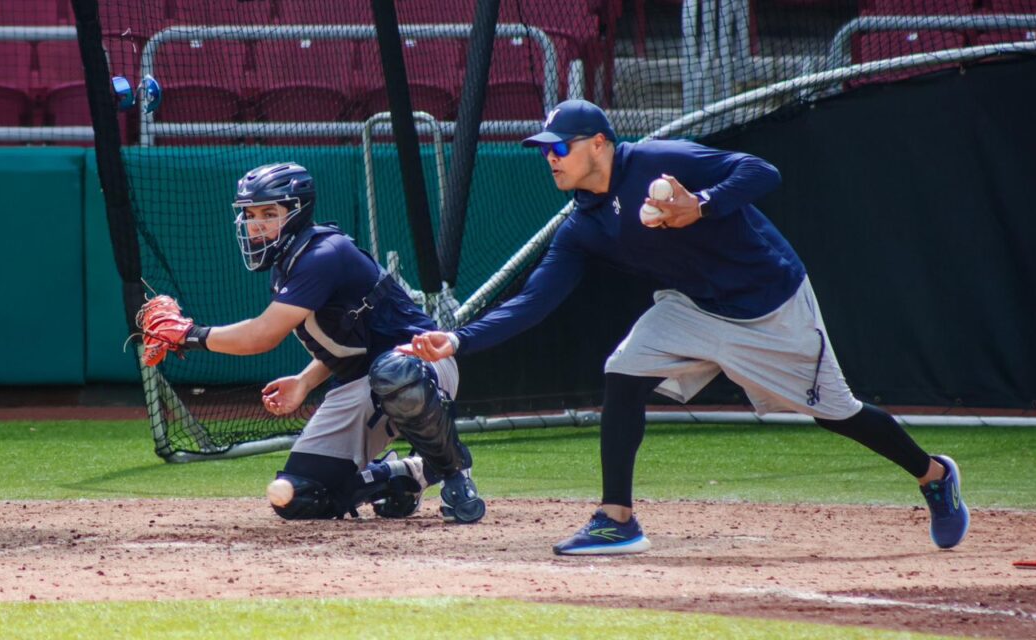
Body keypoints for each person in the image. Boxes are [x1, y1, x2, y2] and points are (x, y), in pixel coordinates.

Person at [405, 99, 968, 554]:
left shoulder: (657, 160)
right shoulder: (583, 226)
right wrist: (458, 339)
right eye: (544, 150)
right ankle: (616, 519)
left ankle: (933, 475)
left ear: (598, 143)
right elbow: (535, 300)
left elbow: (761, 171)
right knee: (623, 370)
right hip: (692, 308)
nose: (549, 158)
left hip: (769, 305)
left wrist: (701, 204)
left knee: (837, 412)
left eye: (559, 147)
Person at [135, 162, 486, 524]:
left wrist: (188, 335)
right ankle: (407, 474)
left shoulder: (324, 254)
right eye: (250, 215)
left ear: (297, 212)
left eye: (269, 214)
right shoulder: (286, 263)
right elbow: (352, 342)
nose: (256, 225)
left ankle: (453, 470)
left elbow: (262, 335)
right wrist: (305, 381)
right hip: (361, 379)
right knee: (300, 497)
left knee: (394, 373)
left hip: (423, 361)